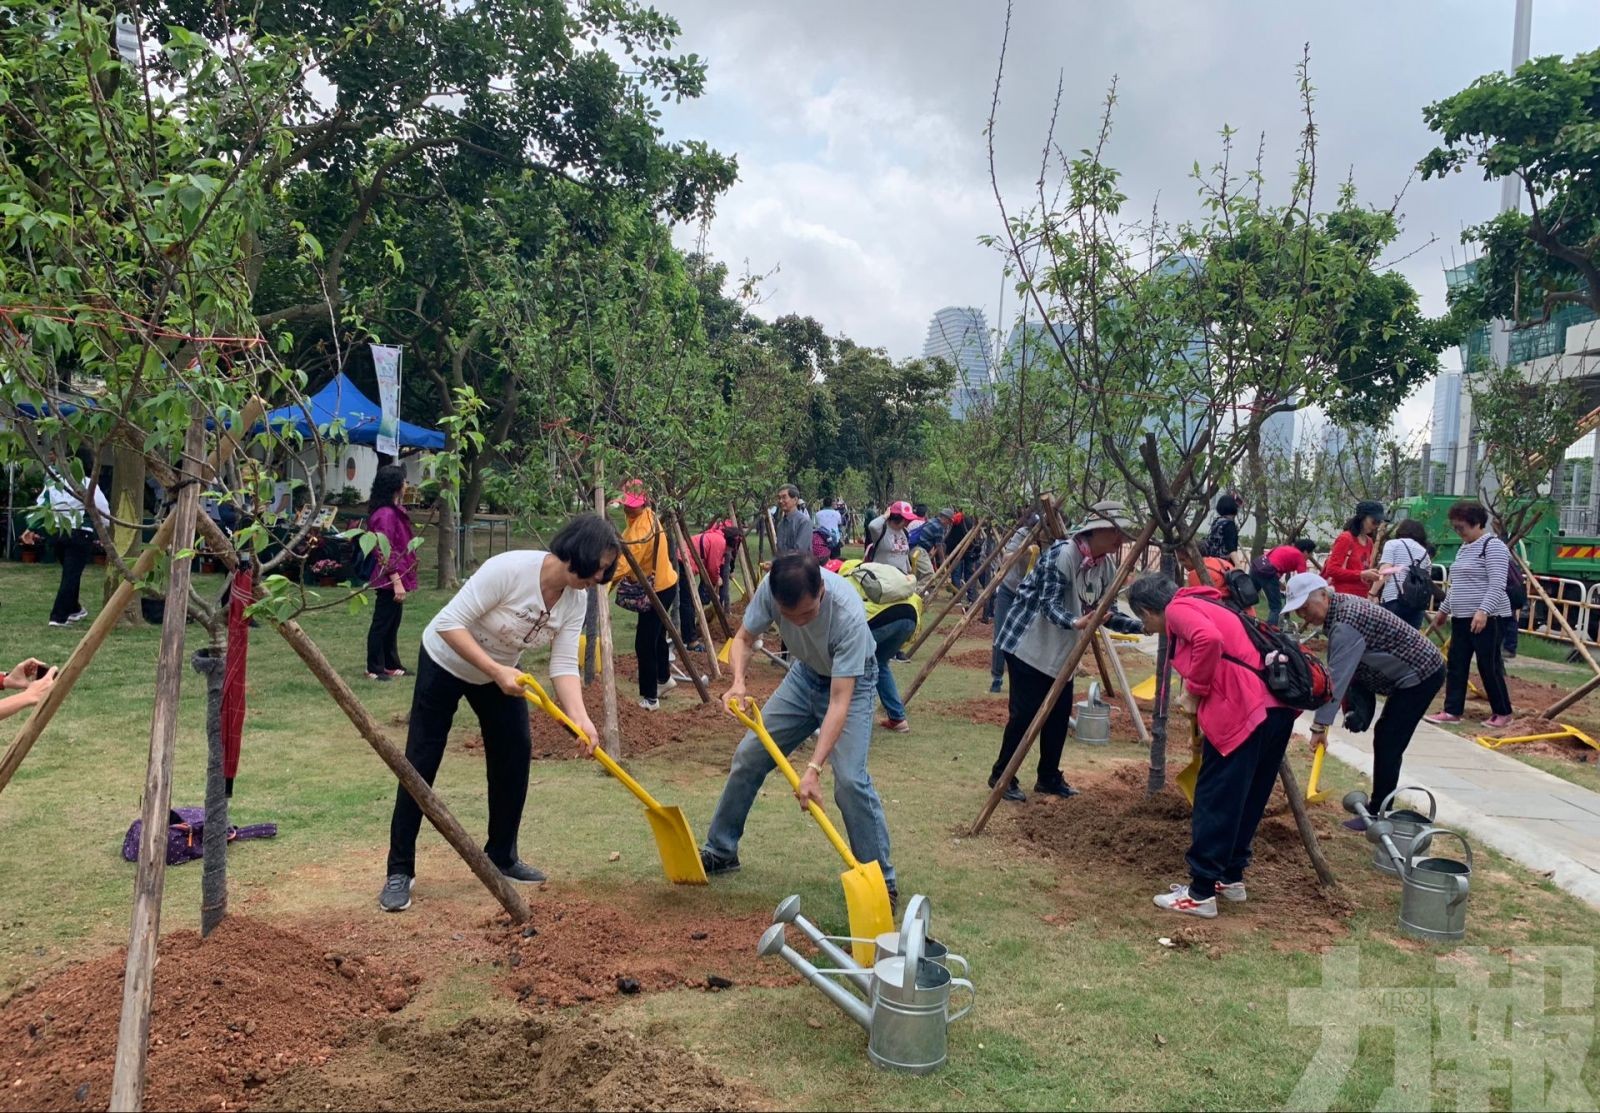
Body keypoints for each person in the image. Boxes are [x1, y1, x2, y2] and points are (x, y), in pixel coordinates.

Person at [379, 514, 617, 912]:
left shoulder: (576, 599)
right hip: (447, 660)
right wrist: (495, 670)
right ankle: (399, 870)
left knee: (514, 753)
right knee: (420, 763)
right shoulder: (509, 570)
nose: (601, 576)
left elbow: (563, 666)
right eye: (600, 566)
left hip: (502, 672)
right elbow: (448, 624)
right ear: (580, 551)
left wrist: (582, 719)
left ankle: (501, 854)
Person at [701, 554, 897, 906]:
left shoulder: (847, 614)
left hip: (851, 682)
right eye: (789, 617)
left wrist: (813, 769)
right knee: (749, 755)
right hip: (804, 675)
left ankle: (881, 881)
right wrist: (739, 683)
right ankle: (721, 851)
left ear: (821, 590)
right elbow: (744, 639)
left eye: (807, 614)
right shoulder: (770, 590)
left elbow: (839, 702)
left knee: (851, 781)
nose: (799, 623)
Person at [1127, 574, 1297, 919]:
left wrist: (1195, 689)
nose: (1148, 627)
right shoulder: (1208, 602)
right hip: (1275, 710)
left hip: (1243, 711)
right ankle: (1230, 878)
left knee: (1217, 796)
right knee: (1248, 796)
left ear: (1149, 609)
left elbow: (1208, 640)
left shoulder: (1178, 609)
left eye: (1144, 619)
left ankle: (1201, 893)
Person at [989, 501, 1143, 803]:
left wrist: (1143, 627)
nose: (1120, 540)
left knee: (1059, 717)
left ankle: (1048, 777)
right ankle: (1002, 775)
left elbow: (1107, 612)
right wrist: (1077, 621)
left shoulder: (1107, 567)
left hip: (1061, 653)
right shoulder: (1062, 555)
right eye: (1116, 532)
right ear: (1097, 531)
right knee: (1025, 715)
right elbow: (1049, 604)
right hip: (1028, 645)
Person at [1279, 574, 1445, 831]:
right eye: (1298, 610)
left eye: (1305, 607)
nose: (1303, 615)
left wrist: (1319, 727)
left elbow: (1337, 677)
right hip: (1395, 672)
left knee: (1388, 738)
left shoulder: (1346, 622)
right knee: (1380, 727)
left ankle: (1379, 812)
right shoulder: (1339, 607)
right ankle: (1358, 715)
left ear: (1323, 595)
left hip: (1421, 674)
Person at [1425, 501, 1514, 728]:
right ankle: (1452, 710)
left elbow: (1497, 584)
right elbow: (1458, 584)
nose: (1459, 532)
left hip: (1489, 617)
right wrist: (1444, 611)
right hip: (1462, 617)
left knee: (1488, 664)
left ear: (1476, 524)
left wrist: (1484, 611)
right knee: (1457, 663)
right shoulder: (1465, 548)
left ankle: (1502, 711)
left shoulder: (1493, 547)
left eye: (1462, 527)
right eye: (1456, 527)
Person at [21, 451, 110, 628]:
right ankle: (58, 616)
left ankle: (74, 609)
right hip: (80, 533)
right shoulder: (86, 483)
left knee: (71, 573)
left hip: (57, 534)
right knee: (71, 575)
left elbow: (42, 506)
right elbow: (104, 511)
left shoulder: (54, 484)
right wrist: (103, 528)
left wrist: (30, 527)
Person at [614, 481, 680, 711]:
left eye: (633, 505)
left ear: (644, 503)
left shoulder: (642, 528)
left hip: (658, 588)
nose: (628, 508)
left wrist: (601, 581)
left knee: (644, 642)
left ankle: (650, 698)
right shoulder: (645, 516)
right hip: (665, 583)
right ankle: (664, 679)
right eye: (627, 504)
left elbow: (623, 564)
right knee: (657, 636)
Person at [364, 465, 418, 681]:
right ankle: (374, 667)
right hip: (388, 577)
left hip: (398, 575)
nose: (407, 485)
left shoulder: (393, 511)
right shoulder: (385, 515)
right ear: (396, 485)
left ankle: (390, 663)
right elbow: (384, 549)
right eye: (404, 482)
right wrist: (396, 579)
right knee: (382, 622)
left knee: (392, 622)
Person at [989, 514, 1038, 694]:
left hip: (1033, 594)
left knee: (1028, 638)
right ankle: (997, 677)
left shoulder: (1055, 539)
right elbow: (1006, 557)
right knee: (1001, 633)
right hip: (1009, 589)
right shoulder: (1023, 533)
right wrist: (1025, 548)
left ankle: (1024, 680)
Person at [678, 520, 738, 651]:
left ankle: (687, 636)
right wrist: (717, 580)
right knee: (688, 602)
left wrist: (716, 580)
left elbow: (713, 563)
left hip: (684, 559)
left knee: (688, 602)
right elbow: (712, 568)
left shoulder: (717, 536)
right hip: (683, 560)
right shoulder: (720, 542)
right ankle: (691, 640)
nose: (731, 551)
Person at [1375, 518, 1431, 629]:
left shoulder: (1393, 544)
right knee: (1410, 643)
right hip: (1417, 605)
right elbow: (1427, 581)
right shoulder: (1425, 553)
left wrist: (1373, 592)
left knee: (1388, 640)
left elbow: (1386, 570)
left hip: (1394, 599)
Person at [1249, 538, 1317, 626]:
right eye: (1310, 553)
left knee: (1248, 597)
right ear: (1305, 551)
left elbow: (1273, 561)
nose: (1310, 557)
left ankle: (1239, 618)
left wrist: (1278, 583)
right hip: (1268, 573)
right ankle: (1270, 631)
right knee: (1276, 607)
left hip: (1256, 566)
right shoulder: (1300, 557)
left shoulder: (1284, 548)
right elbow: (1303, 580)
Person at [1325, 500, 1385, 597]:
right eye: (1374, 521)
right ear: (1362, 517)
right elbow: (1331, 570)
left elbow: (1362, 571)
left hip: (1361, 597)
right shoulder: (1346, 539)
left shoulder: (1369, 542)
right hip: (1344, 596)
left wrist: (1372, 575)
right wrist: (1361, 574)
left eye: (1379, 522)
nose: (1376, 526)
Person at [868, 501, 916, 572]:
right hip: (883, 576)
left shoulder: (905, 532)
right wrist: (885, 516)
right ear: (896, 517)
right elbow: (872, 526)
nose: (907, 522)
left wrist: (908, 570)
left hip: (901, 576)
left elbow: (903, 554)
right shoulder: (882, 530)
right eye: (905, 519)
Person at [1202, 494, 1244, 567]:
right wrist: (1238, 564)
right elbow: (1230, 546)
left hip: (1211, 562)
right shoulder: (1229, 524)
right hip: (1223, 564)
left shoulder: (1217, 522)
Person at [774, 484, 813, 556]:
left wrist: (778, 562)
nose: (780, 501)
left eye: (784, 497)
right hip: (784, 566)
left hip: (800, 566)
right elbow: (780, 550)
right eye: (779, 498)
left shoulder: (804, 522)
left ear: (795, 500)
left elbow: (799, 551)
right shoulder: (781, 524)